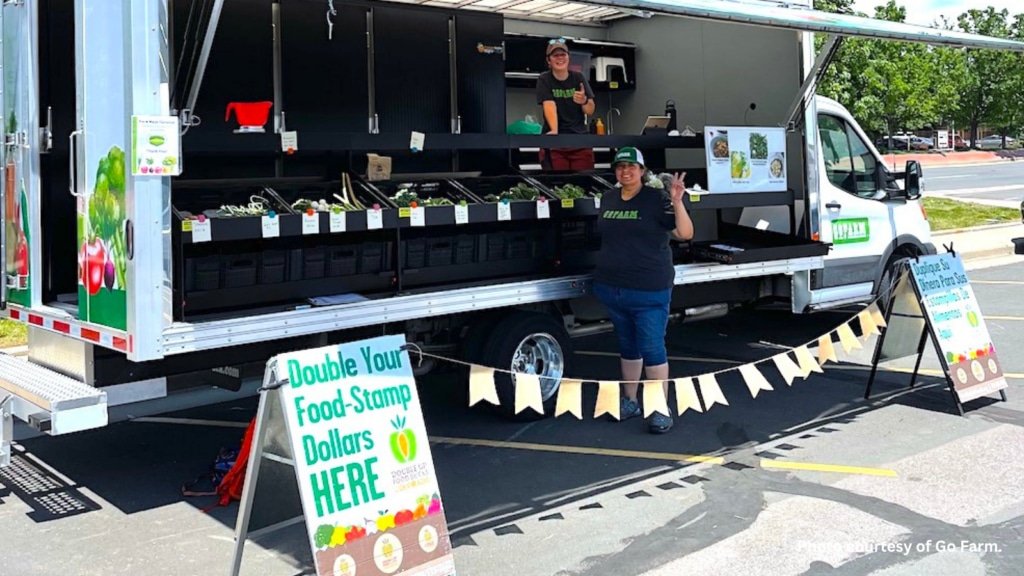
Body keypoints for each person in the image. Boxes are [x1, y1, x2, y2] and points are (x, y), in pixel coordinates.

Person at [592, 147, 694, 434]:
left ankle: (660, 408)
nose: (626, 172)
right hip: (613, 287)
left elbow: (685, 234)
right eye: (620, 167)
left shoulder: (656, 199)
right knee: (628, 347)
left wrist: (677, 201)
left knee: (651, 349)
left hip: (649, 288)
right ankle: (630, 401)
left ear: (642, 170)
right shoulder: (608, 197)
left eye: (631, 167)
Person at [536, 38, 596, 171]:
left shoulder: (578, 77)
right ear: (549, 60)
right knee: (557, 183)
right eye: (555, 55)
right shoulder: (544, 79)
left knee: (584, 181)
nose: (560, 58)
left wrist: (584, 101)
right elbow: (549, 105)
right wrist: (554, 131)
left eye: (563, 54)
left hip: (580, 140)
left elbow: (590, 109)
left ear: (569, 58)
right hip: (555, 143)